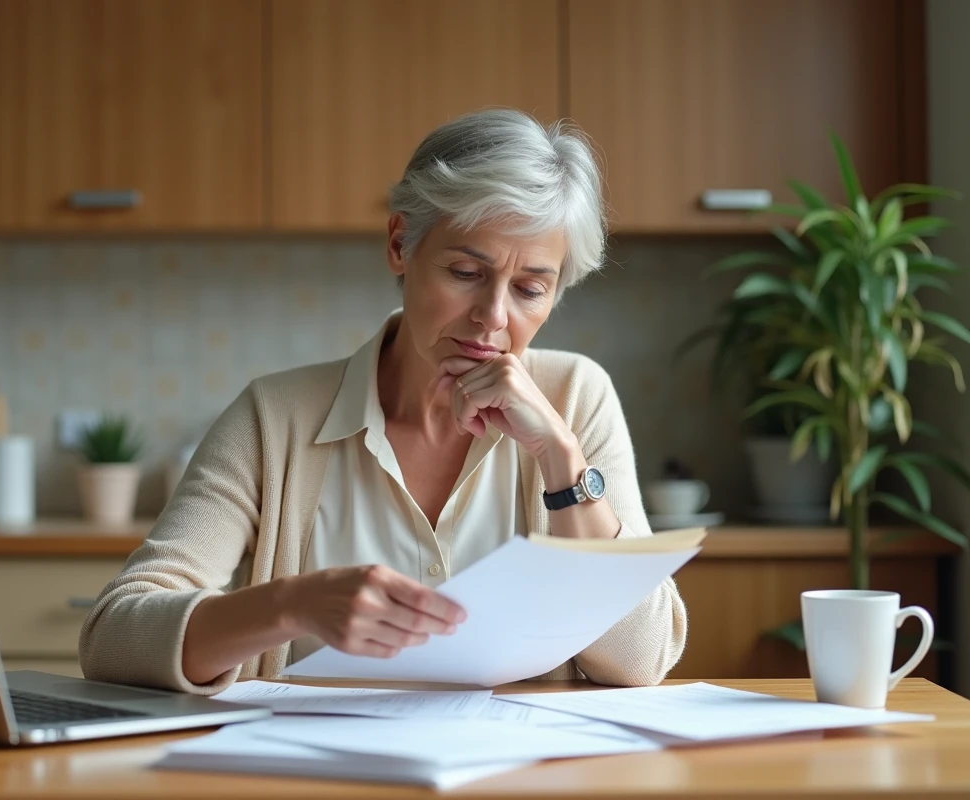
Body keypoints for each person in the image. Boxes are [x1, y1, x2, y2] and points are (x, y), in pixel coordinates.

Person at [80, 108, 687, 694]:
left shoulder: (575, 397)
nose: (494, 318)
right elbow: (112, 637)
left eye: (531, 288)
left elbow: (640, 660)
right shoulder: (275, 419)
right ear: (401, 244)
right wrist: (290, 605)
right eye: (465, 272)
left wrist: (562, 461)